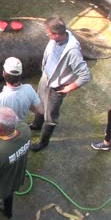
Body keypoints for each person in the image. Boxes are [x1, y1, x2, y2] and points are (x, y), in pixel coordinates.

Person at [30, 16, 91, 151]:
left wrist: (69, 87)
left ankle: (43, 142)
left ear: (57, 34)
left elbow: (85, 75)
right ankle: (36, 124)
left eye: (49, 34)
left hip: (57, 87)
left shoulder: (72, 51)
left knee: (50, 116)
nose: (47, 36)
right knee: (39, 102)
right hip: (45, 78)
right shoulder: (56, 40)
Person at [0, 57, 43, 130]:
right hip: (21, 131)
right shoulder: (29, 89)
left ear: (3, 74)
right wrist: (27, 103)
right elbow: (41, 111)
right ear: (20, 74)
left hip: (6, 134)